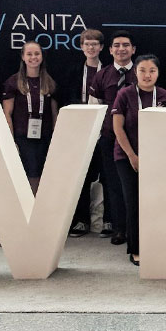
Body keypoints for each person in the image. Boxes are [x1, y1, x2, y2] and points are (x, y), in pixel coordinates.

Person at [112, 54, 166, 266]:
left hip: (156, 159)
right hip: (128, 157)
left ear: (158, 73)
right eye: (143, 71)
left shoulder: (165, 95)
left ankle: (156, 244)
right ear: (135, 72)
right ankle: (136, 248)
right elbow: (117, 127)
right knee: (134, 202)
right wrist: (132, 156)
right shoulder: (125, 94)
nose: (147, 75)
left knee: (155, 202)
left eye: (152, 71)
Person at [90, 30, 137, 246]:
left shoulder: (141, 71)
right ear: (110, 50)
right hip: (110, 138)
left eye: (126, 45)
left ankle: (137, 228)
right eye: (116, 45)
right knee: (114, 184)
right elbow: (95, 106)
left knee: (136, 185)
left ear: (133, 49)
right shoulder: (102, 75)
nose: (121, 49)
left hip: (138, 140)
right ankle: (119, 228)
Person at [1, 42, 59, 194]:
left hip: (44, 137)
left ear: (42, 56)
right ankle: (28, 210)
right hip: (22, 137)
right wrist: (10, 140)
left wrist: (55, 138)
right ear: (23, 57)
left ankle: (39, 208)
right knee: (27, 173)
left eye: (37, 54)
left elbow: (54, 114)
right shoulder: (13, 82)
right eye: (29, 54)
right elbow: (7, 112)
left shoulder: (49, 82)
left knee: (43, 174)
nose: (33, 57)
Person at [69, 28, 105, 237]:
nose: (91, 48)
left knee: (104, 175)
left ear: (101, 47)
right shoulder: (73, 70)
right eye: (87, 44)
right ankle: (80, 220)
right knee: (80, 176)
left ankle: (105, 221)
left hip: (102, 130)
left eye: (94, 44)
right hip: (78, 130)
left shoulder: (108, 71)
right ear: (81, 47)